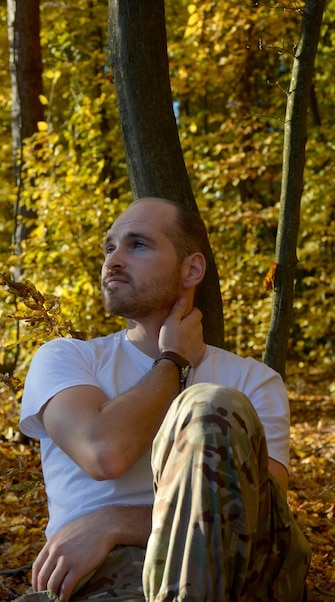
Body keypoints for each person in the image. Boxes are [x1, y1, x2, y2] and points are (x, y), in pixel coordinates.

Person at [18, 197, 311, 602]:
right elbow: (104, 452)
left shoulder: (253, 380)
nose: (114, 260)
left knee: (211, 406)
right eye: (109, 247)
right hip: (107, 579)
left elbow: (259, 514)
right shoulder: (67, 359)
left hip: (240, 576)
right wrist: (172, 361)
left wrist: (113, 521)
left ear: (191, 269)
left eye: (137, 245)